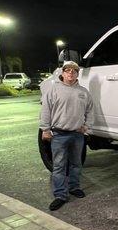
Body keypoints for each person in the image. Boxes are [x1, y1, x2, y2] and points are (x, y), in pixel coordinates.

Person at [39, 61, 94, 211]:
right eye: (67, 70)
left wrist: (87, 127)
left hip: (77, 135)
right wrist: (45, 129)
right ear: (62, 73)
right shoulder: (53, 90)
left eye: (74, 71)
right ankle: (60, 195)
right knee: (59, 166)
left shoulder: (83, 92)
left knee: (76, 164)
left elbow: (90, 111)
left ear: (77, 74)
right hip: (59, 135)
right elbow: (45, 111)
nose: (70, 73)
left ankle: (74, 187)